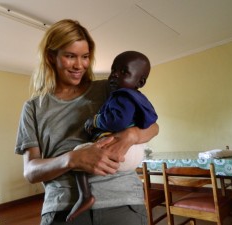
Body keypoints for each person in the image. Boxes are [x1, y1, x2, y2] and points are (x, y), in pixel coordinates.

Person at [15, 19, 159, 225]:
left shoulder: (110, 88)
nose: (79, 65)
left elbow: (153, 127)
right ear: (51, 56)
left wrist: (132, 135)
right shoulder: (33, 108)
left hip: (121, 202)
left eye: (85, 57)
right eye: (70, 56)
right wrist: (72, 159)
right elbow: (30, 171)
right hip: (63, 209)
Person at [67, 50, 158, 221]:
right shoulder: (139, 98)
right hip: (134, 152)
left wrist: (94, 121)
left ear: (141, 81)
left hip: (122, 152)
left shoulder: (121, 96)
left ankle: (85, 196)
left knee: (79, 152)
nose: (115, 74)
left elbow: (117, 121)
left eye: (123, 72)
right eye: (113, 70)